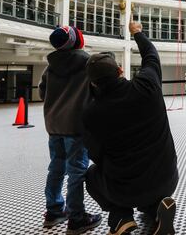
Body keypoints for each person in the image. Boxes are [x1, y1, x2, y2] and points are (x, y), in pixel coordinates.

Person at [83, 21, 178, 235]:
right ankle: (155, 211)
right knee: (146, 181)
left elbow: (96, 156)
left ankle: (121, 218)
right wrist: (137, 33)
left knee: (90, 175)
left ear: (93, 83)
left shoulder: (92, 114)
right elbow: (151, 55)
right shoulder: (147, 85)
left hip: (124, 188)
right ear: (120, 70)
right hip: (166, 178)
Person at [39, 26, 101, 234]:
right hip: (76, 125)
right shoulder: (88, 64)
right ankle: (76, 217)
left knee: (56, 166)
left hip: (54, 125)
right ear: (77, 41)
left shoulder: (50, 67)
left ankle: (54, 210)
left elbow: (42, 92)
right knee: (77, 171)